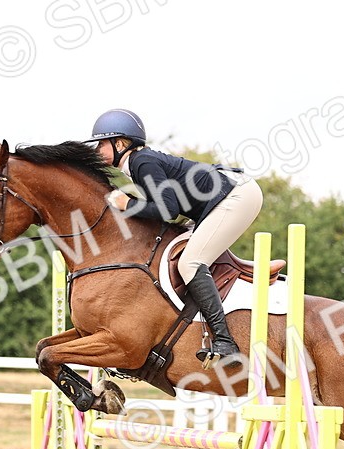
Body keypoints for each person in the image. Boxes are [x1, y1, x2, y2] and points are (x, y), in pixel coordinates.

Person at [84, 108, 263, 366]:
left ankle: (225, 341)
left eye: (102, 143)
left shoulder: (141, 162)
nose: (98, 150)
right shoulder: (137, 165)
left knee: (189, 262)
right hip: (222, 196)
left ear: (120, 143)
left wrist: (127, 204)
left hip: (235, 195)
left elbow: (167, 210)